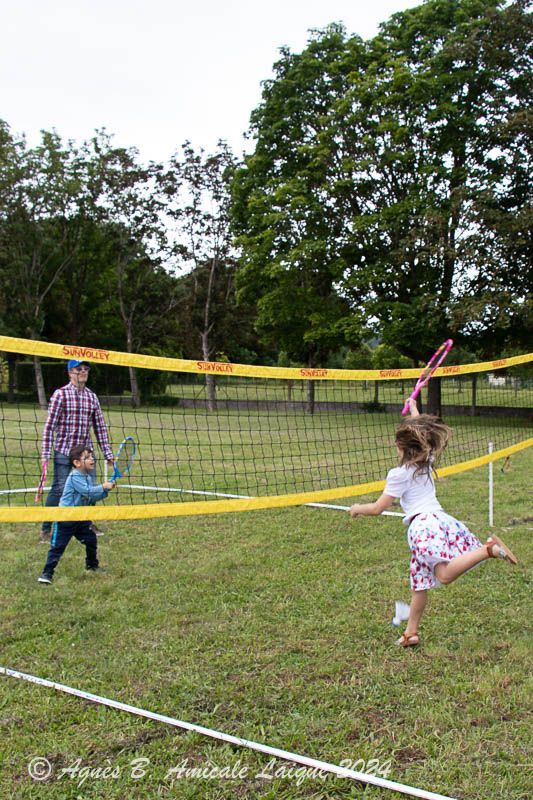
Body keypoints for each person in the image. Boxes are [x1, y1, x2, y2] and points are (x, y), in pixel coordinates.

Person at [349, 397, 518, 647]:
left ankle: (488, 549)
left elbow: (377, 508)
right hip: (438, 521)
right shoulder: (425, 462)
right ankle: (411, 633)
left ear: (402, 447)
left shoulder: (398, 474)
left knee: (444, 575)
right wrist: (414, 410)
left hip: (423, 527)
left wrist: (356, 509)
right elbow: (423, 433)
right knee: (419, 585)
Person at [39, 359, 115, 543]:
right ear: (70, 373)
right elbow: (49, 427)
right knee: (59, 489)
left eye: (86, 368)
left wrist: (108, 454)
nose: (83, 371)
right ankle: (46, 529)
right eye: (78, 369)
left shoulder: (92, 397)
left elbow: (100, 428)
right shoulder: (60, 395)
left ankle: (86, 524)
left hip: (85, 454)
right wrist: (46, 454)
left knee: (90, 490)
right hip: (64, 452)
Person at [38, 445, 115, 584]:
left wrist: (105, 491)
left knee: (91, 540)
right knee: (58, 547)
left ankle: (92, 565)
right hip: (66, 518)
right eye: (87, 457)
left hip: (80, 518)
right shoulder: (74, 476)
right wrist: (103, 486)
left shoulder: (87, 477)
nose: (92, 459)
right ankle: (46, 573)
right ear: (77, 463)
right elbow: (88, 491)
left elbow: (92, 496)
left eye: (92, 456)